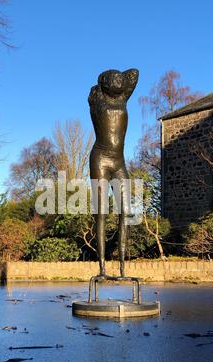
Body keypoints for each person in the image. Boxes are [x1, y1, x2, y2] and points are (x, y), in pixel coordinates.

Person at [89, 68, 139, 278]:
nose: (118, 80)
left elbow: (134, 74)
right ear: (104, 83)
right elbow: (94, 91)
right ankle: (102, 269)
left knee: (126, 213)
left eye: (119, 78)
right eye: (113, 78)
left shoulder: (123, 99)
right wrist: (102, 81)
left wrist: (118, 77)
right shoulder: (97, 98)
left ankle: (122, 269)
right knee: (101, 214)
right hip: (100, 159)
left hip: (119, 162)